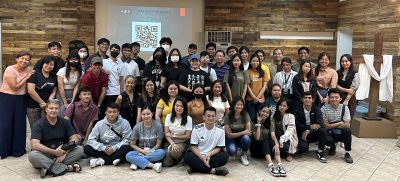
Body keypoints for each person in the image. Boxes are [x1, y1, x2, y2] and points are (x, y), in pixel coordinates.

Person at [28, 99, 83, 178]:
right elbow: (34, 145)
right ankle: (66, 167)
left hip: (62, 152)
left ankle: (48, 167)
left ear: (59, 109)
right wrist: (54, 152)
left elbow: (75, 138)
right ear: (46, 109)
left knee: (80, 149)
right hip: (46, 154)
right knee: (32, 155)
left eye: (56, 108)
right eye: (51, 108)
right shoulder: (39, 124)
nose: (54, 110)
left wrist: (65, 152)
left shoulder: (64, 122)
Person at [0, 51, 33, 159]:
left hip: (21, 98)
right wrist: (26, 77)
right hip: (7, 97)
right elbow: (14, 87)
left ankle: (17, 150)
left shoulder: (28, 69)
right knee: (5, 124)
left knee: (19, 124)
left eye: (27, 59)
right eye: (22, 58)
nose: (24, 61)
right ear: (17, 59)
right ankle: (4, 150)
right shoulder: (10, 69)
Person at [183, 107, 229, 176]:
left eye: (213, 116)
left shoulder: (221, 130)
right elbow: (193, 147)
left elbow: (219, 148)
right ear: (203, 117)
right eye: (208, 116)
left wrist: (209, 154)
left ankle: (195, 167)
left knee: (224, 157)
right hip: (198, 154)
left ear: (215, 117)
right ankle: (213, 171)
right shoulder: (197, 128)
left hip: (212, 155)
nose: (211, 118)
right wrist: (202, 157)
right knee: (187, 157)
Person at [84, 102, 132, 167]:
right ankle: (116, 158)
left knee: (127, 148)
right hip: (103, 149)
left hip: (117, 149)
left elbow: (127, 139)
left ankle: (103, 160)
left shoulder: (125, 123)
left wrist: (114, 148)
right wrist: (104, 148)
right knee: (87, 148)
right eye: (109, 112)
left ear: (118, 113)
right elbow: (90, 140)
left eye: (114, 112)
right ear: (105, 113)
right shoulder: (99, 124)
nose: (111, 114)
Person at [125, 106, 165, 173]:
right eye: (143, 114)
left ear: (152, 114)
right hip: (140, 152)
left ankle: (137, 162)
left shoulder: (158, 126)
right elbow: (132, 144)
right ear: (141, 115)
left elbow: (158, 144)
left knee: (162, 152)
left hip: (154, 151)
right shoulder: (137, 127)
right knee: (128, 155)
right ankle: (153, 165)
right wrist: (142, 151)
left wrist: (150, 151)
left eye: (148, 114)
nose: (146, 116)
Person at [293, 91, 328, 163]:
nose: (307, 99)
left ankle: (320, 152)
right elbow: (297, 126)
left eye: (309, 98)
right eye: (305, 98)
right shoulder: (297, 110)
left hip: (312, 133)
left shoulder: (316, 109)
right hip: (301, 134)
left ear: (313, 100)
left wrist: (308, 130)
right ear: (302, 99)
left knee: (323, 131)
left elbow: (320, 123)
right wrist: (309, 126)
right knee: (303, 149)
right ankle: (303, 145)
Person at [321, 88, 353, 163]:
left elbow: (347, 125)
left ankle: (347, 153)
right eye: (331, 97)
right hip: (330, 132)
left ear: (340, 99)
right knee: (326, 137)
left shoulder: (345, 108)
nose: (334, 99)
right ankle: (332, 146)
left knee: (347, 131)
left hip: (341, 132)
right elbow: (326, 126)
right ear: (328, 98)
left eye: (336, 97)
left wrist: (331, 125)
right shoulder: (324, 108)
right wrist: (339, 123)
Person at [250, 105, 281, 177]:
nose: (265, 114)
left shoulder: (270, 120)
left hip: (267, 151)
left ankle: (279, 164)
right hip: (256, 150)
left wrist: (276, 144)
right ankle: (270, 164)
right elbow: (257, 138)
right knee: (265, 140)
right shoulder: (253, 121)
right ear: (259, 111)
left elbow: (273, 135)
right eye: (263, 111)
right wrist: (258, 123)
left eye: (267, 112)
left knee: (271, 139)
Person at [27, 55, 57, 128]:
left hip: (47, 106)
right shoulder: (34, 74)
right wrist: (42, 102)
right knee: (35, 128)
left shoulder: (54, 77)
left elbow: (54, 90)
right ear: (42, 64)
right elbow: (31, 91)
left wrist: (48, 102)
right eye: (47, 63)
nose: (49, 66)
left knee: (46, 127)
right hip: (33, 106)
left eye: (51, 65)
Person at [163, 97, 193, 167]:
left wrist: (173, 136)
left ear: (185, 107)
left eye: (181, 106)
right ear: (174, 107)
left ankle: (181, 158)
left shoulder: (188, 119)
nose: (179, 108)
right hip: (170, 142)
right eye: (177, 106)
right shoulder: (168, 116)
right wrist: (172, 143)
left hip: (183, 142)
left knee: (174, 151)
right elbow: (166, 133)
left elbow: (187, 136)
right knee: (166, 163)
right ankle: (179, 159)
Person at [224, 96, 252, 166]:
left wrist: (238, 134)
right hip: (231, 139)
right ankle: (235, 147)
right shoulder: (228, 115)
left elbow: (248, 131)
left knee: (246, 138)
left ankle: (243, 155)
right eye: (237, 104)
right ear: (233, 105)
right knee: (232, 152)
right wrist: (242, 132)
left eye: (241, 105)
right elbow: (228, 135)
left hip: (241, 138)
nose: (239, 106)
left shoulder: (245, 114)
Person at [270, 98, 298, 163]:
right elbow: (272, 131)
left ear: (287, 107)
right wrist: (276, 142)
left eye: (284, 106)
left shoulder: (291, 116)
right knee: (273, 146)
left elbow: (289, 131)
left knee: (285, 147)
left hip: (287, 137)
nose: (282, 107)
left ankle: (290, 154)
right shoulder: (273, 116)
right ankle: (279, 154)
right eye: (280, 105)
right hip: (277, 137)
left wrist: (281, 140)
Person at [56, 50, 83, 115]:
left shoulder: (81, 73)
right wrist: (65, 102)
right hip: (61, 94)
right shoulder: (62, 70)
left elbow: (76, 87)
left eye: (76, 59)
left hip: (73, 94)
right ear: (68, 60)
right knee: (62, 112)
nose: (73, 61)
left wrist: (72, 100)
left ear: (79, 60)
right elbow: (60, 87)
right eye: (71, 59)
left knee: (72, 113)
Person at [102, 43, 124, 114]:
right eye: (113, 49)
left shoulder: (120, 63)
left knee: (117, 111)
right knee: (109, 112)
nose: (115, 51)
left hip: (117, 92)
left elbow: (121, 79)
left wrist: (121, 93)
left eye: (117, 50)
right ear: (110, 50)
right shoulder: (104, 62)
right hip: (108, 92)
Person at [336, 54, 360, 120]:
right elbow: (335, 85)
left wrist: (347, 100)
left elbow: (353, 89)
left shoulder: (355, 74)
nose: (344, 63)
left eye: (346, 61)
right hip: (337, 97)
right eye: (342, 61)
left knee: (348, 119)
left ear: (350, 62)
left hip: (350, 99)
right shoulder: (337, 73)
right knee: (336, 118)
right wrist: (346, 90)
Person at [246, 53, 269, 120]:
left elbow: (264, 86)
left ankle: (260, 130)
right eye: (253, 61)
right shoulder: (247, 72)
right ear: (250, 62)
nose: (255, 62)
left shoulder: (263, 72)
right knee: (252, 117)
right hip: (250, 99)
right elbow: (248, 86)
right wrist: (254, 98)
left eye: (257, 61)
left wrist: (257, 98)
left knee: (260, 117)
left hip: (261, 99)